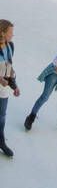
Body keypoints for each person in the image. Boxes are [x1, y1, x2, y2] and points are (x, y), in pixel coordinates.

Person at [0, 19, 20, 158]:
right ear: (2, 33)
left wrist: (14, 86)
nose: (12, 35)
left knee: (2, 115)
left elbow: (9, 67)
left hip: (3, 89)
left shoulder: (10, 46)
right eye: (10, 32)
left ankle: (0, 141)